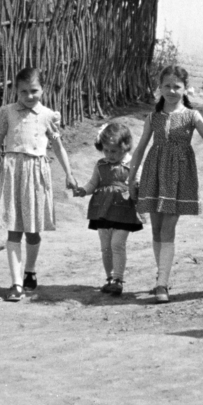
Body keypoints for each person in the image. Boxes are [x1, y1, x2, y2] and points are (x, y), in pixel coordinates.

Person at [132, 65, 203, 303]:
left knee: (167, 229)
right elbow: (141, 147)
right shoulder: (153, 117)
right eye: (167, 86)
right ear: (159, 88)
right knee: (155, 229)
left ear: (185, 89)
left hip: (179, 176)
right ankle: (160, 276)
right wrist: (131, 177)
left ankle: (162, 284)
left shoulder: (192, 116)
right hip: (153, 174)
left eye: (177, 86)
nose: (172, 91)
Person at [0, 67, 75, 302]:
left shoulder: (47, 115)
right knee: (14, 229)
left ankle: (30, 270)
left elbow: (57, 147)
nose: (29, 96)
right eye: (23, 91)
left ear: (42, 90)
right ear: (16, 90)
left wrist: (69, 173)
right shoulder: (6, 113)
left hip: (36, 175)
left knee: (33, 231)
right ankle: (16, 283)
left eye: (34, 91)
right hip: (13, 172)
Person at [71, 120, 143, 296]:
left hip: (124, 209)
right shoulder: (100, 165)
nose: (109, 155)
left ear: (125, 147)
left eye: (114, 151)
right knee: (105, 246)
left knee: (117, 244)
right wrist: (83, 190)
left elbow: (139, 184)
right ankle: (109, 278)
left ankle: (118, 279)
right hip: (102, 209)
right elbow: (93, 183)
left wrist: (137, 188)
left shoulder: (133, 164)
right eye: (106, 150)